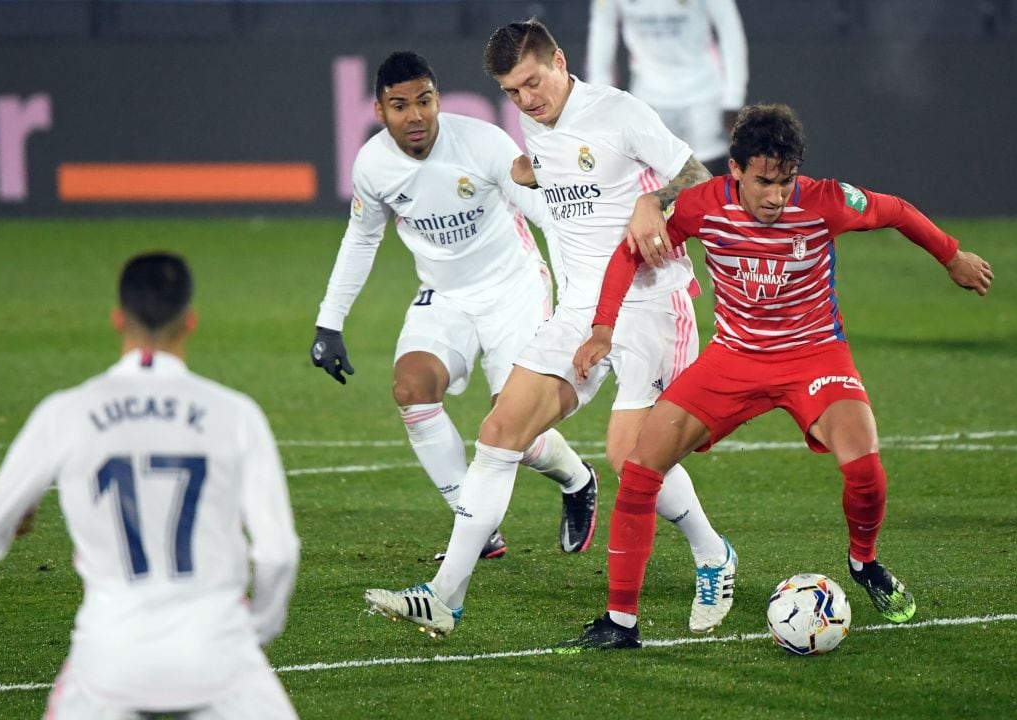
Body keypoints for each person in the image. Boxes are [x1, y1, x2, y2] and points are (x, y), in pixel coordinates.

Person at [563, 103, 994, 649]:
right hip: (733, 358)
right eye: (765, 182)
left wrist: (951, 255)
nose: (776, 196)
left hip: (815, 356)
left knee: (864, 466)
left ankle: (863, 562)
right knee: (641, 466)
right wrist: (602, 330)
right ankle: (621, 623)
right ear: (736, 170)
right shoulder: (702, 206)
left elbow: (896, 210)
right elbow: (630, 255)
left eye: (786, 181)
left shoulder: (824, 201)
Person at [365, 20, 738, 637]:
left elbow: (700, 177)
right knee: (500, 428)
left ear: (561, 62)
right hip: (576, 314)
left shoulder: (618, 111)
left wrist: (655, 200)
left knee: (630, 456)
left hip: (652, 305)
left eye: (533, 83)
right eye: (512, 92)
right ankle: (444, 595)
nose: (527, 100)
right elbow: (565, 186)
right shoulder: (535, 125)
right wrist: (529, 173)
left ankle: (712, 554)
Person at [0, 252, 301, 718]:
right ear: (190, 321)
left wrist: (7, 528)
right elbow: (278, 552)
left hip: (109, 657)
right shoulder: (235, 414)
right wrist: (252, 630)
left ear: (118, 318)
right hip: (216, 651)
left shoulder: (68, 412)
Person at [310, 50, 599, 561]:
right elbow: (360, 240)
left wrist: (576, 303)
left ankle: (578, 479)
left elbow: (548, 216)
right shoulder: (373, 164)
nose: (414, 115)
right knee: (411, 387)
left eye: (423, 101)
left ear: (438, 100)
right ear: (379, 111)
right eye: (400, 106)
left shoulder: (484, 142)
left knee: (511, 426)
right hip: (444, 296)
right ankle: (476, 524)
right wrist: (328, 323)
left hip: (514, 291)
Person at [586, 0, 748, 177]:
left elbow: (729, 27)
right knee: (651, 182)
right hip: (648, 97)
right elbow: (602, 29)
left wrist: (733, 98)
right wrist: (599, 95)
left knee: (706, 180)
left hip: (702, 94)